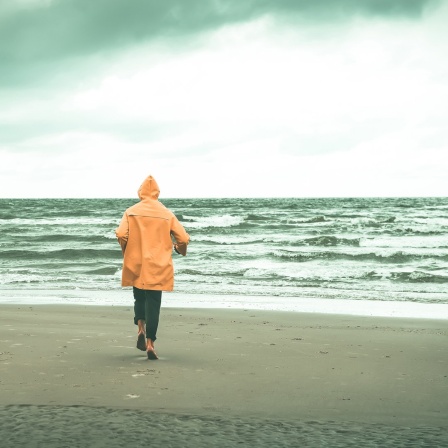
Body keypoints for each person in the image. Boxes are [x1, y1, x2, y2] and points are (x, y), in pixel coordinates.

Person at [115, 175, 190, 360]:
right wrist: (179, 249)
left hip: (136, 263)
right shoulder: (167, 213)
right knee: (154, 303)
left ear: (140, 192)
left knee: (139, 298)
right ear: (157, 193)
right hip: (158, 264)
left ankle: (140, 327)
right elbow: (184, 238)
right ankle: (150, 343)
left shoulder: (130, 211)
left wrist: (127, 252)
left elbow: (121, 234)